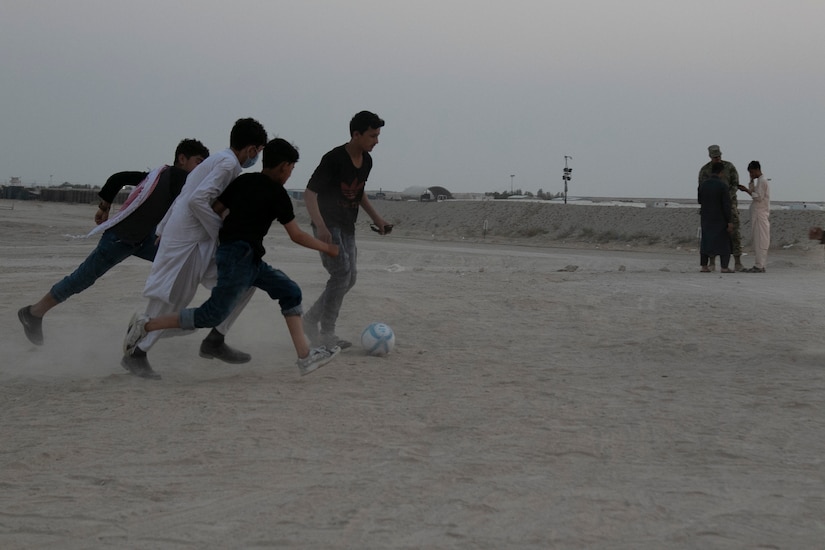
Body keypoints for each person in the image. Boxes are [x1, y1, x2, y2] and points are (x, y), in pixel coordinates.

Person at [123, 138, 341, 376]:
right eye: (291, 168)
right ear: (283, 166)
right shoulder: (278, 194)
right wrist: (327, 248)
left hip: (247, 258)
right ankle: (146, 325)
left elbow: (216, 208)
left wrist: (234, 225)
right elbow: (296, 234)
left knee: (290, 291)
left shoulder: (243, 181)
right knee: (211, 314)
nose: (290, 173)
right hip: (240, 257)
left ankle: (305, 356)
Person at [17, 139, 209, 345]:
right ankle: (33, 313)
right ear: (182, 159)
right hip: (121, 238)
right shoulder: (179, 177)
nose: (202, 169)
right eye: (199, 162)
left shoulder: (157, 176)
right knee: (81, 279)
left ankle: (166, 322)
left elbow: (119, 178)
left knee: (184, 264)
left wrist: (104, 206)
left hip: (144, 239)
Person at [122, 118, 267, 379]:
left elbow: (187, 194)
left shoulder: (223, 161)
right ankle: (137, 352)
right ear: (252, 150)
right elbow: (196, 200)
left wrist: (162, 228)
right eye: (259, 152)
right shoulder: (227, 163)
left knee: (247, 280)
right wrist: (220, 234)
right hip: (188, 242)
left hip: (193, 240)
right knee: (171, 301)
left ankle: (215, 338)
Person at [302, 111, 391, 349]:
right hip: (328, 225)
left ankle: (309, 321)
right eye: (373, 136)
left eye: (378, 135)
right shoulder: (334, 158)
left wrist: (378, 219)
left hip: (347, 225)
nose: (377, 141)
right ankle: (326, 333)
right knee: (341, 274)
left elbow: (358, 193)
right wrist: (320, 226)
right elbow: (309, 194)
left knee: (349, 278)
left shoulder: (367, 161)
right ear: (356, 134)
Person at [698, 144, 745, 271]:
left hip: (730, 205)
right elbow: (702, 189)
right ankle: (712, 261)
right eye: (715, 157)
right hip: (712, 208)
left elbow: (735, 184)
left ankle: (737, 261)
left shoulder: (729, 167)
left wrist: (726, 198)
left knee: (734, 232)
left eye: (719, 156)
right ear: (710, 156)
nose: (717, 159)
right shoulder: (705, 170)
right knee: (712, 234)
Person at [698, 163, 734, 273]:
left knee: (705, 241)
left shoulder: (703, 185)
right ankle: (724, 267)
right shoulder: (723, 186)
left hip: (706, 217)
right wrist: (729, 221)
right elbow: (726, 205)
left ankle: (704, 266)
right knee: (724, 243)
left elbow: (700, 200)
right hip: (720, 218)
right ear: (721, 172)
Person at [741, 160, 770, 273]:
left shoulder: (762, 181)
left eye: (752, 172)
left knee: (760, 240)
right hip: (757, 214)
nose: (751, 175)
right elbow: (754, 191)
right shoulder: (759, 181)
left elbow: (758, 197)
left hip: (760, 214)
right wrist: (751, 182)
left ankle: (760, 265)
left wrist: (746, 191)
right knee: (757, 239)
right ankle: (759, 264)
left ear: (757, 170)